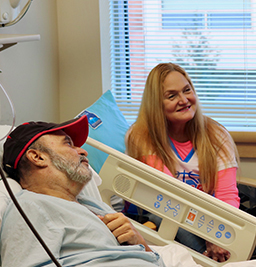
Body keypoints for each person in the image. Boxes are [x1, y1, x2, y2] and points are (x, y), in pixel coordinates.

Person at [0, 115, 165, 267]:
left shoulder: (93, 205)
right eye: (68, 144)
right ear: (37, 157)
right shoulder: (30, 208)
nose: (83, 151)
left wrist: (140, 242)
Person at [125, 63, 240, 262]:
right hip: (159, 216)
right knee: (164, 217)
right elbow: (171, 195)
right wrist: (210, 237)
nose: (184, 100)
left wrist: (219, 235)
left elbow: (226, 194)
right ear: (156, 104)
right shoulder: (141, 136)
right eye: (172, 96)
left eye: (187, 90)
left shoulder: (217, 135)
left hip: (207, 222)